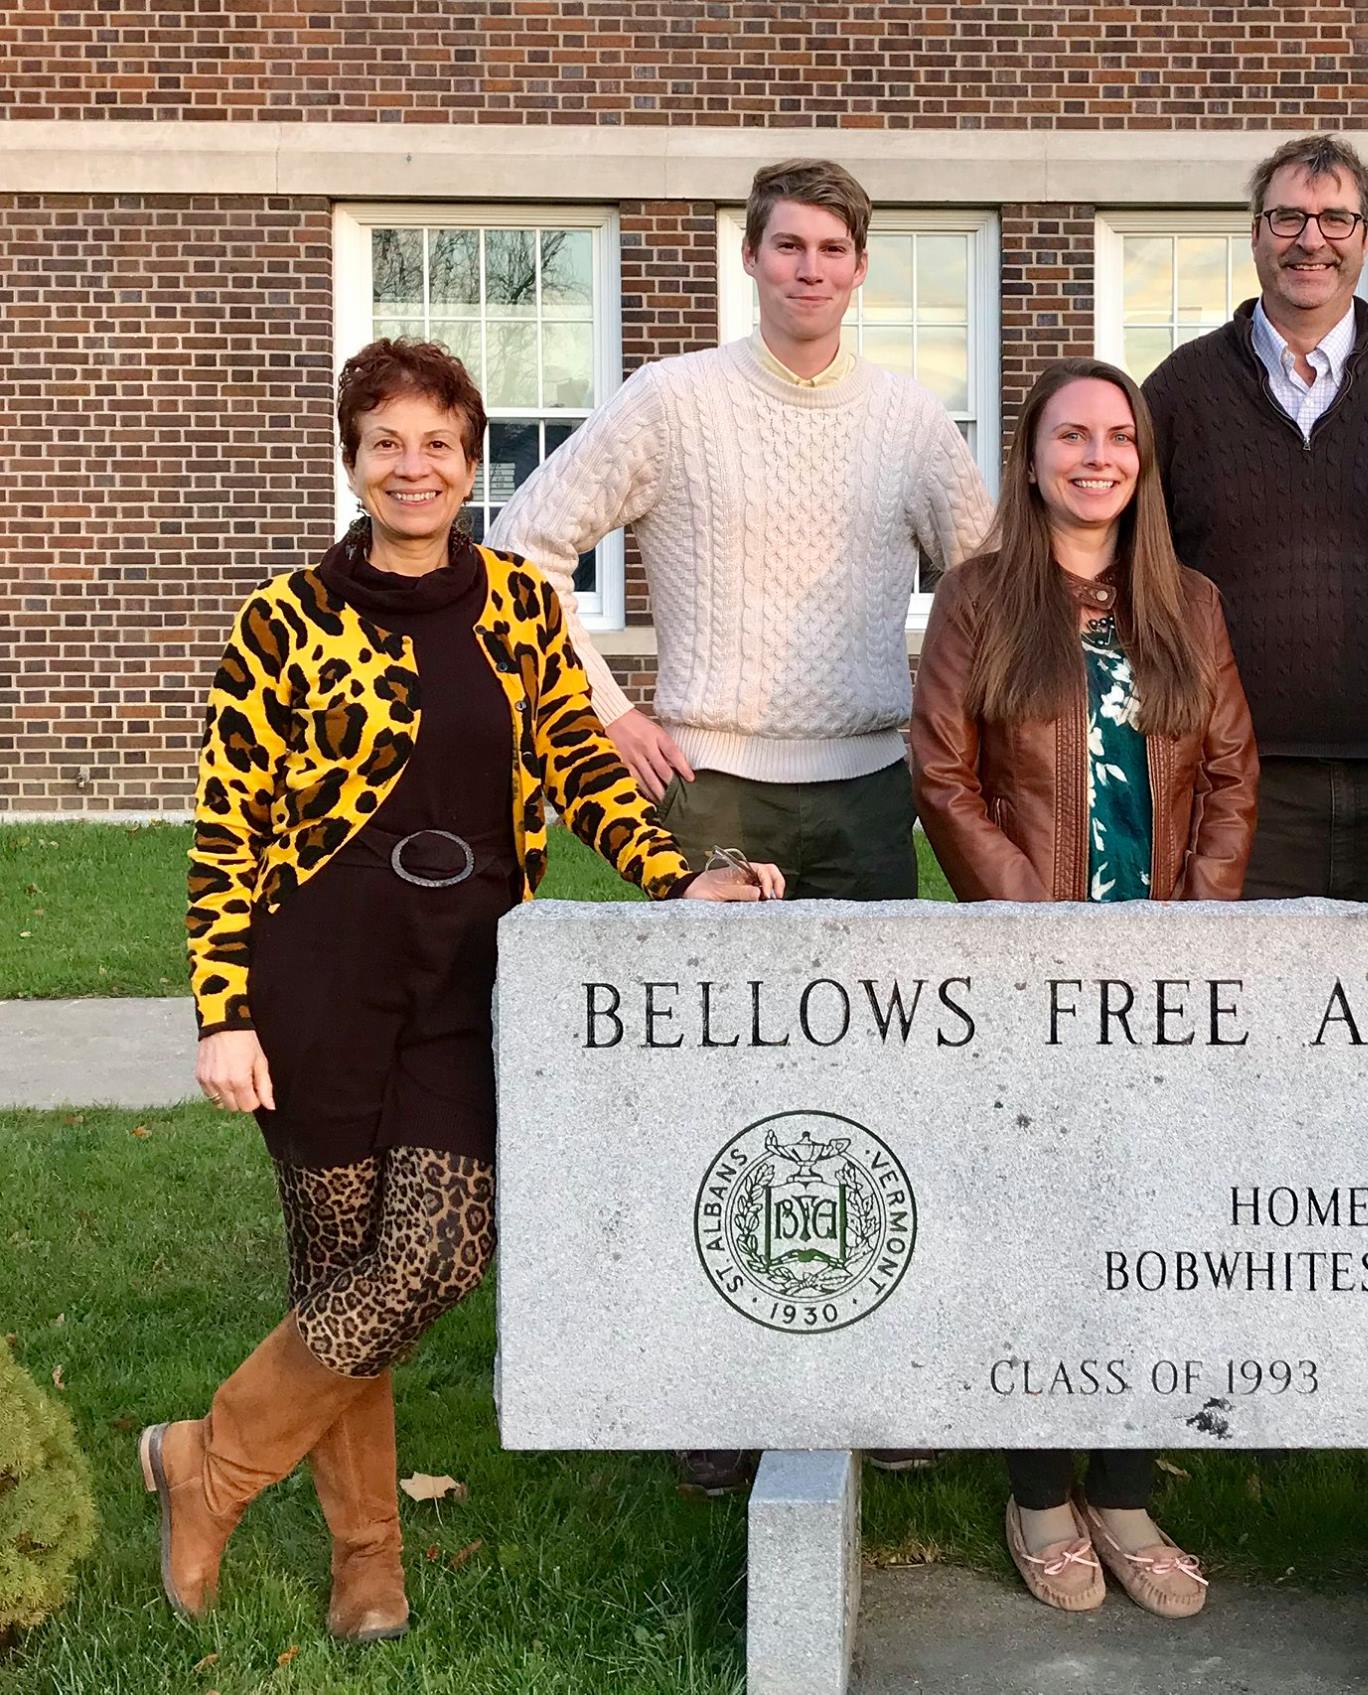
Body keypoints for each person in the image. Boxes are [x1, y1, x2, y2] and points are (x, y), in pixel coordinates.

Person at [153, 338, 781, 1642]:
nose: (414, 463)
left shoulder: (516, 604)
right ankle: (366, 1559)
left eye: (439, 440)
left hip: (469, 976)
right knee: (341, 1268)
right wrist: (224, 1008)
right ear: (354, 457)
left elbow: (582, 765)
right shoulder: (282, 621)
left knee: (432, 1252)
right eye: (387, 439)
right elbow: (227, 828)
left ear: (471, 457)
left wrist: (675, 878)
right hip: (317, 971)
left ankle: (205, 1461)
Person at [491, 159, 990, 1490]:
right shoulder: (674, 399)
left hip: (875, 794)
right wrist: (601, 712)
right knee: (717, 1093)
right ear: (753, 260)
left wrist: (960, 738)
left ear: (861, 268)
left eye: (834, 247)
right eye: (788, 245)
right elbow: (527, 546)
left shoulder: (906, 419)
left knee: (878, 1090)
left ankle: (879, 1372)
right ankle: (719, 1383)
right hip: (710, 785)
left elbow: (992, 581)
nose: (811, 267)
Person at [910, 358, 1257, 1615]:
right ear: (1033, 455)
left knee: (1145, 1223)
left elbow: (1226, 772)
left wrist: (1190, 933)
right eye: (1072, 436)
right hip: (1026, 972)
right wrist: (1030, 924)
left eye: (1117, 438)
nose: (1095, 457)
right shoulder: (980, 599)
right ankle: (1038, 1486)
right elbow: (942, 776)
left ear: (1142, 462)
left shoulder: (1189, 603)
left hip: (1158, 972)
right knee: (1040, 1222)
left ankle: (1121, 1488)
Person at [1142, 133, 1368, 903]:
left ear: (1365, 238)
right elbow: (1140, 576)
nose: (1312, 240)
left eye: (1337, 219)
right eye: (1288, 218)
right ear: (1255, 235)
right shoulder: (1178, 393)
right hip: (1238, 785)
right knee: (1250, 1015)